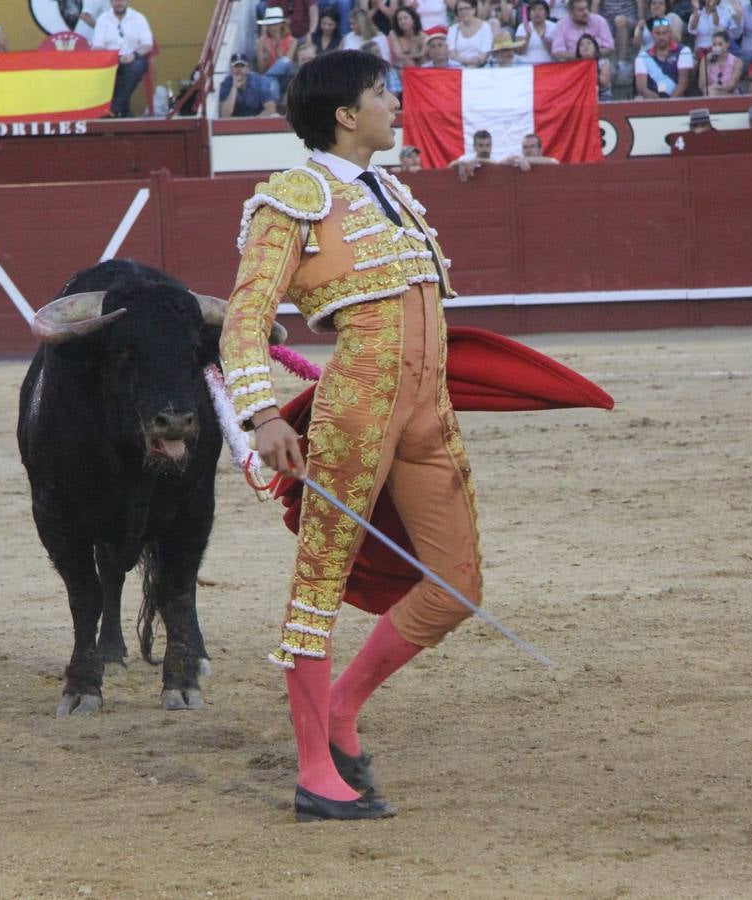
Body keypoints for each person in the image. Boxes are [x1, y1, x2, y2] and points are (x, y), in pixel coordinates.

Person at [219, 48, 480, 823]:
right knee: (318, 585)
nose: (393, 103)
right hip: (357, 411)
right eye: (379, 93)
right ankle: (313, 774)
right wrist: (263, 414)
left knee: (457, 584)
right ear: (344, 114)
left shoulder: (391, 190)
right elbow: (244, 320)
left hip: (428, 409)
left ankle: (340, 707)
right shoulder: (291, 198)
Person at [90, 0, 154, 117]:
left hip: (132, 57)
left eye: (122, 0)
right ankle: (121, 110)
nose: (119, 3)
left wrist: (134, 55)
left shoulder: (139, 18)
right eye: (115, 0)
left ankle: (113, 109)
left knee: (137, 66)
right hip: (109, 60)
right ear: (110, 2)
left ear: (128, 2)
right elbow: (97, 46)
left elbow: (147, 44)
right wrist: (111, 58)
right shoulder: (102, 19)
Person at [634, 16, 694, 97]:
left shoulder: (683, 51)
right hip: (652, 100)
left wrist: (669, 103)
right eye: (658, 33)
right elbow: (642, 88)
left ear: (670, 33)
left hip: (677, 100)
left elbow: (683, 84)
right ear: (652, 34)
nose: (661, 37)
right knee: (639, 98)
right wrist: (657, 102)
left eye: (664, 33)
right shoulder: (643, 57)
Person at [218, 52, 281, 117]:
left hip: (258, 119)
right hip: (236, 121)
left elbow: (271, 109)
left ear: (248, 69)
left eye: (242, 66)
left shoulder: (259, 81)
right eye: (236, 66)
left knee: (275, 115)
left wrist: (253, 121)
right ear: (231, 70)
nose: (239, 70)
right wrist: (234, 88)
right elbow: (225, 115)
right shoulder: (226, 84)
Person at [595, 0, 646, 79]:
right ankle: (603, 63)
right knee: (600, 24)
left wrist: (641, 23)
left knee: (620, 20)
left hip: (628, 18)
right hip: (607, 19)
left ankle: (622, 64)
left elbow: (640, 3)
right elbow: (595, 4)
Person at [552, 0, 616, 60]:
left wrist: (593, 53)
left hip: (598, 60)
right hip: (575, 63)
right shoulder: (562, 25)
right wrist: (579, 55)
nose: (585, 12)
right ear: (571, 13)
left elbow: (609, 47)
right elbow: (557, 51)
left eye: (586, 8)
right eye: (580, 10)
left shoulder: (599, 21)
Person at [256, 7, 298, 85]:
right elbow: (261, 70)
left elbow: (286, 64)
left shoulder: (293, 41)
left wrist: (278, 48)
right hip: (272, 81)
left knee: (284, 62)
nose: (272, 28)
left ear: (281, 24)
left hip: (286, 77)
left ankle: (266, 81)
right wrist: (266, 53)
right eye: (269, 25)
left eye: (275, 24)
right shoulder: (261, 41)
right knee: (272, 85)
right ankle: (268, 81)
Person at [449, 0, 494, 66]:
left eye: (467, 8)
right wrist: (467, 61)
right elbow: (451, 54)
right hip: (458, 67)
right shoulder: (453, 29)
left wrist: (472, 62)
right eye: (460, 9)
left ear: (474, 9)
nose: (464, 12)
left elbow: (484, 55)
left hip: (480, 67)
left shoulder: (485, 27)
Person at [577, 34, 616, 99]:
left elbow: (604, 83)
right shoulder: (575, 66)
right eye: (581, 45)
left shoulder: (603, 62)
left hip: (603, 97)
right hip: (583, 97)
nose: (585, 46)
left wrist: (590, 72)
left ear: (595, 48)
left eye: (589, 43)